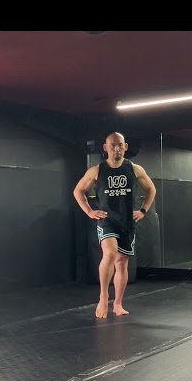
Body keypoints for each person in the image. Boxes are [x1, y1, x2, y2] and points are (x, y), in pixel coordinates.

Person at [73, 132, 157, 318]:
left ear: (125, 147)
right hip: (107, 220)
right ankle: (103, 297)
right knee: (110, 253)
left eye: (120, 145)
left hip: (126, 222)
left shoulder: (135, 169)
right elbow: (78, 190)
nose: (116, 149)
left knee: (121, 263)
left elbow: (151, 189)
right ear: (106, 148)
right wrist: (89, 211)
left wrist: (143, 210)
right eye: (112, 145)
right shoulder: (96, 171)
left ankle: (118, 303)